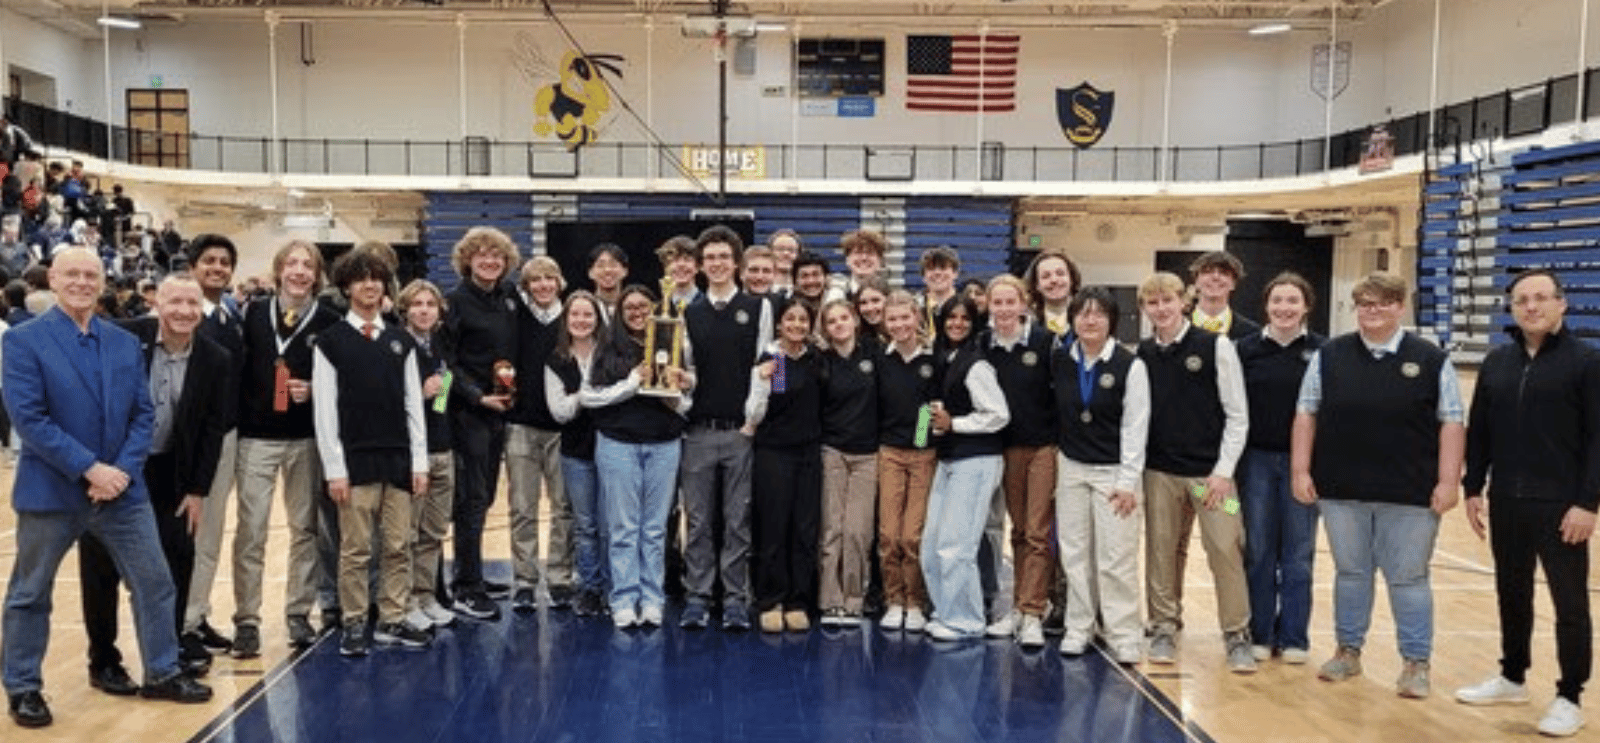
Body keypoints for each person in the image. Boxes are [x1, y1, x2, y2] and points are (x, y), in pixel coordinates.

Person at [3, 248, 212, 729]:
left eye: (90, 274)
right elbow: (29, 419)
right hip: (52, 491)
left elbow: (143, 414)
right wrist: (90, 469)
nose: (81, 281)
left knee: (156, 583)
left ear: (102, 282)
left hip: (122, 491)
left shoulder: (121, 342)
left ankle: (162, 669)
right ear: (51, 279)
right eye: (71, 273)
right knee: (30, 593)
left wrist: (119, 470)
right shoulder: (23, 341)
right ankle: (23, 686)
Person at [1291, 271, 1464, 699]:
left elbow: (1452, 421)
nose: (1372, 310)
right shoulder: (1329, 355)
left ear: (1400, 307)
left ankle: (1416, 662)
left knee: (1407, 578)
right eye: (1365, 303)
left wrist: (1448, 480)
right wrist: (1300, 470)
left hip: (1411, 493)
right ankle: (1348, 652)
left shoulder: (1430, 359)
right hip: (1341, 490)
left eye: (1383, 303)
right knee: (1351, 573)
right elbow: (1306, 414)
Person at [1454, 269, 1597, 736]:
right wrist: (1473, 488)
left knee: (1569, 603)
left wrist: (1588, 503)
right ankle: (1512, 676)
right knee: (1511, 594)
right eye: (1521, 299)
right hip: (1508, 502)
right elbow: (1481, 432)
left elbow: (1599, 440)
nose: (1531, 306)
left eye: (1540, 298)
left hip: (1562, 505)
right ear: (1511, 307)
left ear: (1562, 304)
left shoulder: (1586, 362)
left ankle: (1569, 695)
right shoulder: (1498, 362)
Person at [77, 274, 231, 690]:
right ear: (155, 303)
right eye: (175, 301)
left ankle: (171, 648)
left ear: (203, 309)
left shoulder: (215, 358)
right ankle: (103, 660)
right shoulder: (121, 338)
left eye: (192, 303)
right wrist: (91, 468)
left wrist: (198, 490)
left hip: (171, 474)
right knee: (101, 567)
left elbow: (212, 431)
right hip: (112, 470)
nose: (184, 311)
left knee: (177, 559)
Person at [313, 250, 430, 656]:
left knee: (399, 545)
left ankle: (393, 617)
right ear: (346, 287)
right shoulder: (330, 342)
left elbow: (415, 405)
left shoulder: (401, 341)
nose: (370, 285)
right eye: (361, 279)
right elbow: (324, 411)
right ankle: (354, 621)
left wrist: (420, 462)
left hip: (398, 460)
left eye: (377, 278)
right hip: (354, 462)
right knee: (356, 549)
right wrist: (334, 469)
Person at [1136, 271, 1253, 672]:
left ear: (1183, 302)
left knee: (1226, 547)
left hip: (1212, 477)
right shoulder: (1143, 354)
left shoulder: (1216, 346)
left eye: (1167, 300)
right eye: (1152, 303)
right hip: (1160, 473)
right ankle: (1164, 624)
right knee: (1160, 550)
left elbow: (1238, 416)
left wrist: (1224, 471)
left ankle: (1237, 632)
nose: (1161, 309)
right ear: (1145, 309)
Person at [231, 240, 340, 657]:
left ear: (317, 274)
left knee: (305, 530)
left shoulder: (328, 320)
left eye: (307, 265)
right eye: (291, 263)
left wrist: (313, 389)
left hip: (305, 439)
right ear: (278, 270)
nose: (299, 271)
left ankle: (298, 612)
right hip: (256, 437)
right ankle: (246, 619)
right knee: (252, 531)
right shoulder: (253, 313)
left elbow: (338, 381)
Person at [677, 224, 773, 631]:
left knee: (738, 519)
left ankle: (735, 596)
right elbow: (689, 371)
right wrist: (682, 387)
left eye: (723, 257)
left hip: (741, 432)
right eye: (709, 258)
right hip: (698, 430)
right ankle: (698, 595)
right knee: (698, 520)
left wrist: (756, 420)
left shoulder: (758, 307)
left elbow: (772, 364)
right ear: (700, 266)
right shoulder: (689, 312)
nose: (716, 264)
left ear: (736, 263)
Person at [1051, 286, 1149, 664]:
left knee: (1115, 556)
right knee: (1074, 554)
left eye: (1099, 314)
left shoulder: (1130, 365)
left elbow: (1135, 428)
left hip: (1114, 473)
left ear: (1112, 320)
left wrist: (1128, 481)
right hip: (1072, 468)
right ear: (1072, 319)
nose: (1090, 321)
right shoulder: (1061, 360)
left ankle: (1124, 632)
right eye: (1083, 313)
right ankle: (1079, 626)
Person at [583, 285, 690, 628]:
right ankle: (624, 598)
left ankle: (653, 598)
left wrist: (675, 393)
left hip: (667, 443)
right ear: (619, 313)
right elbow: (589, 397)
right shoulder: (606, 348)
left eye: (644, 306)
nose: (637, 313)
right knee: (624, 527)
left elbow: (687, 401)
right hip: (618, 444)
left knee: (656, 529)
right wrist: (632, 383)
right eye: (629, 308)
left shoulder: (675, 343)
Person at [1236, 272, 1325, 665]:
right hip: (1254, 461)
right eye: (1277, 301)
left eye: (1293, 301)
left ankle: (1294, 637)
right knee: (1258, 550)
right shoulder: (1244, 350)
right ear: (1266, 306)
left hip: (1303, 464)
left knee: (1299, 553)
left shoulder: (1325, 352)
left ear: (1306, 306)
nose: (1284, 308)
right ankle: (1259, 632)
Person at [442, 226, 521, 621]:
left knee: (485, 497)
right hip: (469, 414)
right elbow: (447, 362)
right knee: (471, 502)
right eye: (482, 254)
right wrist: (475, 396)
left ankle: (471, 574)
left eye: (497, 255)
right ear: (467, 259)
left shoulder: (508, 299)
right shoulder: (454, 302)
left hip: (499, 414)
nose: (490, 261)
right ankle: (466, 587)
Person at [920, 296, 1010, 641]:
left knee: (957, 545)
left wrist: (954, 424)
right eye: (951, 317)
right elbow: (928, 411)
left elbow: (999, 414)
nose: (957, 323)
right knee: (932, 544)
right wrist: (923, 438)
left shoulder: (975, 364)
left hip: (975, 459)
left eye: (964, 319)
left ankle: (966, 619)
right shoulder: (941, 359)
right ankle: (946, 610)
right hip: (945, 459)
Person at [981, 275, 1058, 649]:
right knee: (1018, 531)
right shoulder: (984, 345)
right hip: (1006, 448)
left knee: (1038, 530)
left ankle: (1032, 612)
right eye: (998, 303)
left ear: (1024, 304)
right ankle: (1018, 607)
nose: (1004, 309)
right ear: (989, 307)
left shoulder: (1045, 342)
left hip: (1043, 447)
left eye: (1011, 302)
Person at [180, 234, 247, 660]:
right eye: (209, 261)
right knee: (189, 533)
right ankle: (180, 624)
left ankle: (196, 615)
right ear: (192, 267)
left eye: (224, 262)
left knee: (211, 533)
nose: (217, 268)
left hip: (226, 435)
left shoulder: (231, 315)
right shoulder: (184, 315)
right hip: (192, 442)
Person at [744, 300, 824, 633]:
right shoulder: (772, 361)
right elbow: (756, 414)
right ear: (779, 324)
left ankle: (797, 600)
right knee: (774, 526)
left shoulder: (818, 360)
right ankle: (771, 599)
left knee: (804, 528)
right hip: (774, 453)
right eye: (789, 318)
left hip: (809, 453)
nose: (796, 324)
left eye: (803, 319)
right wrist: (762, 382)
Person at [505, 255, 572, 612]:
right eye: (535, 279)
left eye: (550, 277)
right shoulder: (514, 316)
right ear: (526, 285)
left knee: (564, 508)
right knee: (522, 508)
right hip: (521, 425)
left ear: (560, 282)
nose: (544, 285)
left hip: (563, 429)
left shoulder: (574, 317)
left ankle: (560, 577)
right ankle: (525, 581)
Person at [395, 279, 458, 634]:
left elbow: (442, 401)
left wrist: (438, 393)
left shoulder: (439, 346)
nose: (423, 310)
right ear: (406, 310)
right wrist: (420, 392)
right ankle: (404, 601)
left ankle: (426, 595)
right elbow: (388, 401)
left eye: (430, 304)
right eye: (417, 304)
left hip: (441, 449)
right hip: (411, 454)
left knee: (433, 531)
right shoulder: (397, 346)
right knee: (407, 534)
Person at [876, 290, 939, 633]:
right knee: (888, 535)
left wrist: (917, 442)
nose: (899, 324)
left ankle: (915, 601)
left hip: (922, 454)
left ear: (917, 318)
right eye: (893, 319)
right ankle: (893, 599)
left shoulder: (933, 360)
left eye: (905, 317)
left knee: (912, 537)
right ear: (885, 324)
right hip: (887, 453)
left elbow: (929, 407)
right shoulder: (879, 360)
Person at [815, 299, 879, 628]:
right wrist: (774, 365)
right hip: (831, 451)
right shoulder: (819, 360)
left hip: (868, 455)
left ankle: (855, 599)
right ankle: (830, 600)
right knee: (831, 530)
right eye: (831, 321)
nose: (838, 325)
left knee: (858, 531)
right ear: (824, 329)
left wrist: (924, 436)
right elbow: (786, 392)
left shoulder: (875, 354)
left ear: (854, 320)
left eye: (844, 318)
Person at [546, 291, 609, 617]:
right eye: (575, 315)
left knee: (612, 524)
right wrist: (589, 395)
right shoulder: (556, 358)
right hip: (463, 428)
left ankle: (613, 587)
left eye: (588, 315)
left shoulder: (610, 353)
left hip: (613, 447)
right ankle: (588, 588)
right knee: (581, 523)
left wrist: (579, 396)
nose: (582, 321)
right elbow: (560, 412)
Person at [1189, 251, 1261, 341]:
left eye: (1224, 273)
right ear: (1196, 281)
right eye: (1207, 272)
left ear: (1233, 284)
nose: (1215, 277)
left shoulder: (1251, 332)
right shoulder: (1176, 326)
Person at [1024, 249, 1081, 337]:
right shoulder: (1026, 325)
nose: (1054, 280)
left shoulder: (1088, 318)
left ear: (1072, 279)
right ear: (1036, 285)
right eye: (1046, 276)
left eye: (1060, 273)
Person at [827, 228, 887, 303]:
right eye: (858, 252)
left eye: (870, 253)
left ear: (880, 260)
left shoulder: (889, 297)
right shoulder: (835, 296)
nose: (864, 258)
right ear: (847, 260)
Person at [919, 246, 961, 337]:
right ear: (923, 276)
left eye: (943, 268)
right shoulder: (915, 306)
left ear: (955, 273)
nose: (937, 273)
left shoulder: (966, 305)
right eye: (931, 268)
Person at [587, 243, 629, 319]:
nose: (607, 270)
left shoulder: (632, 308)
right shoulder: (583, 309)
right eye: (600, 266)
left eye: (613, 265)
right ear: (590, 273)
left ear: (625, 271)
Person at [658, 235, 701, 307]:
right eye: (675, 259)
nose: (681, 264)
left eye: (687, 259)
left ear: (697, 267)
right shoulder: (657, 311)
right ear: (665, 267)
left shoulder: (712, 307)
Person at [790, 251, 830, 317]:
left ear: (826, 278)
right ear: (795, 281)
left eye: (816, 274)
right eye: (804, 276)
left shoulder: (838, 302)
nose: (811, 281)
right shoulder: (786, 308)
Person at [852, 277, 890, 343]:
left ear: (889, 300)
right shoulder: (857, 340)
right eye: (863, 303)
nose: (869, 308)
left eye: (875, 300)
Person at [767, 229, 801, 295]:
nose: (786, 253)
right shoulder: (759, 286)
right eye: (780, 249)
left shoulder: (804, 287)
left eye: (791, 250)